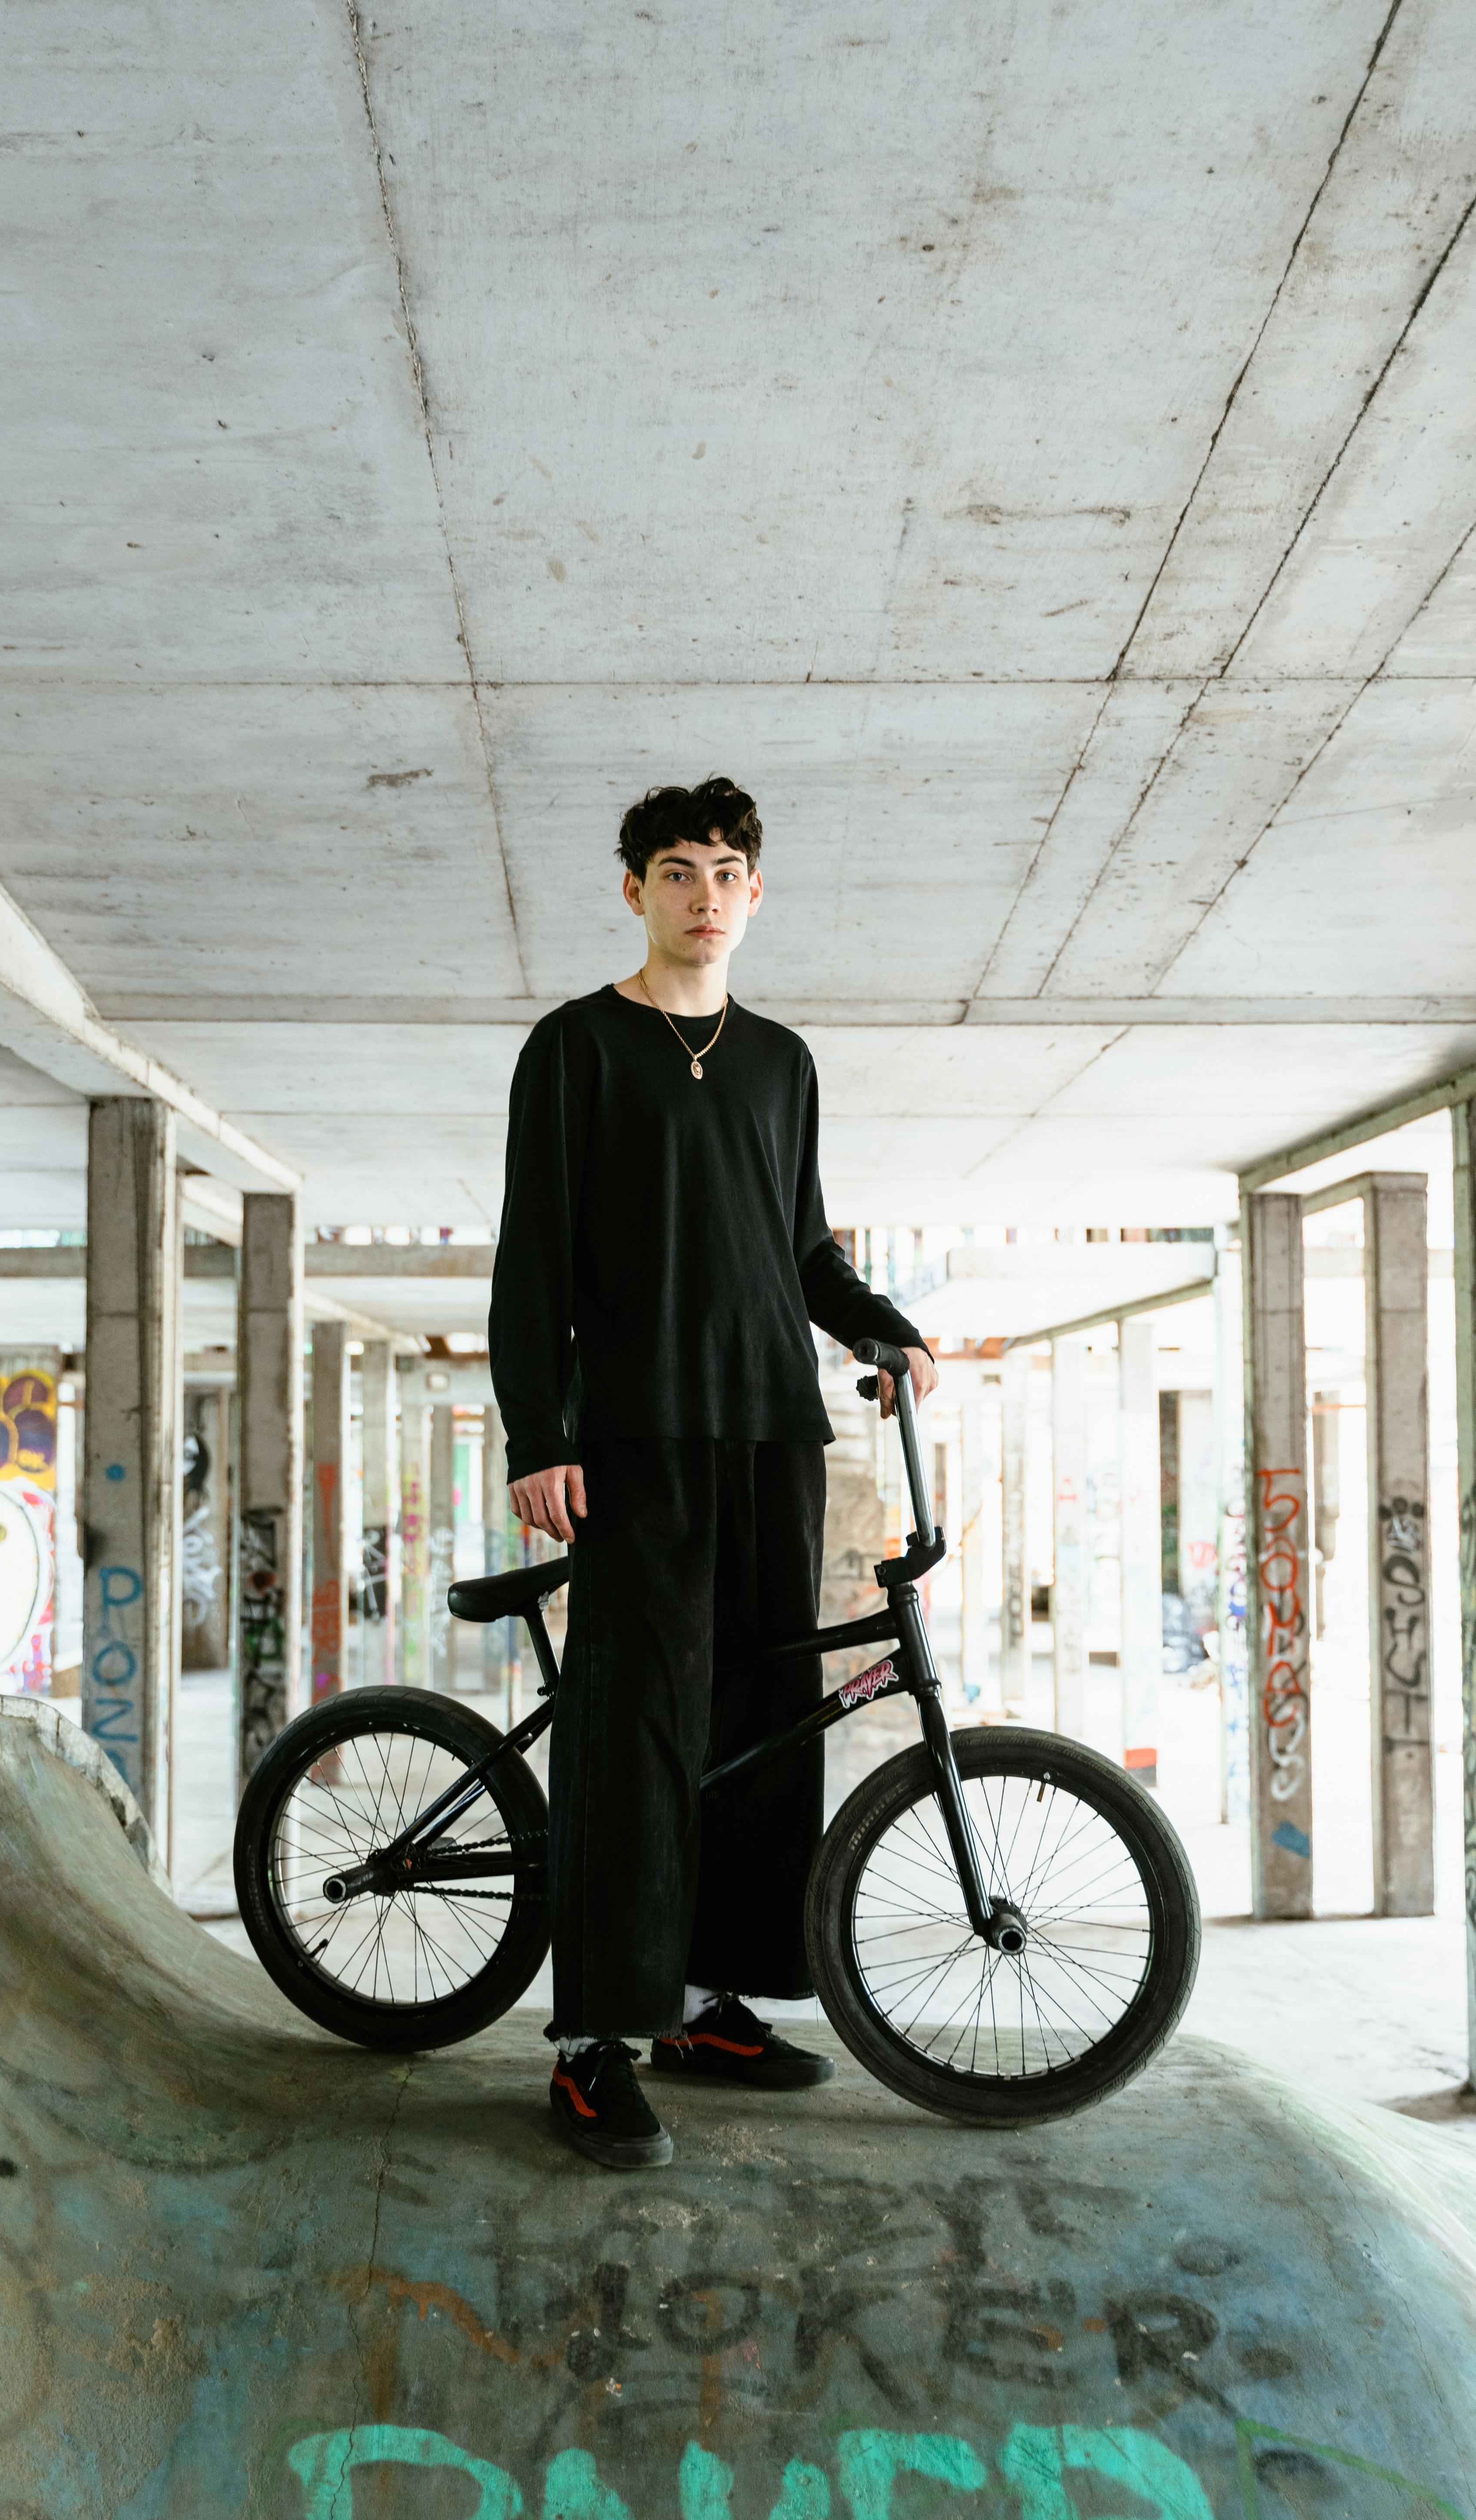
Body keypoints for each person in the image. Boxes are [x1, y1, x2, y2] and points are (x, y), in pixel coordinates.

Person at [489, 775, 938, 2168]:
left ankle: (703, 2003)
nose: (704, 895)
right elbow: (535, 1257)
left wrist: (884, 1328)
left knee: (762, 1722)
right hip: (635, 1441)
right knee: (635, 1730)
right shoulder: (576, 1049)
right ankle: (592, 2042)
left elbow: (800, 1249)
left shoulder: (782, 1063)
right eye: (677, 871)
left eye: (726, 872)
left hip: (771, 1433)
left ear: (755, 895)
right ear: (636, 891)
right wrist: (538, 1435)